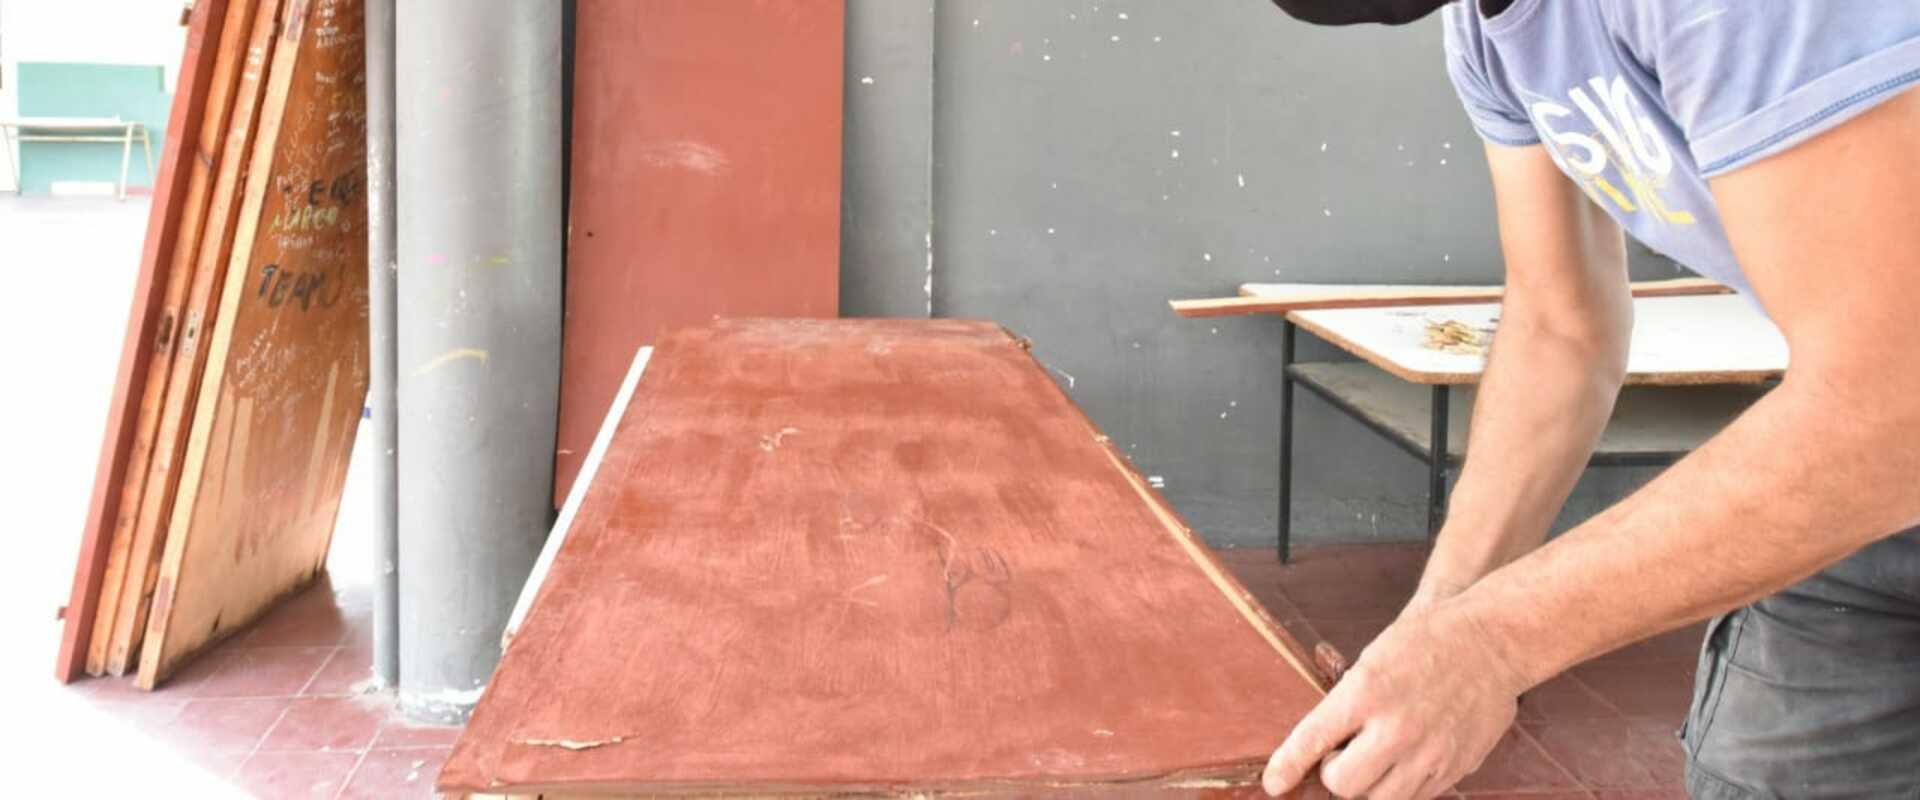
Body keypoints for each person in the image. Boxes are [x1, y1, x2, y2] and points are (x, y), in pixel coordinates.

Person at [1256, 1, 1920, 797]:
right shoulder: (1490, 32)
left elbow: (1896, 406)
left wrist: (1491, 644)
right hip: (1871, 508)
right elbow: (1560, 326)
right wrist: (1435, 623)